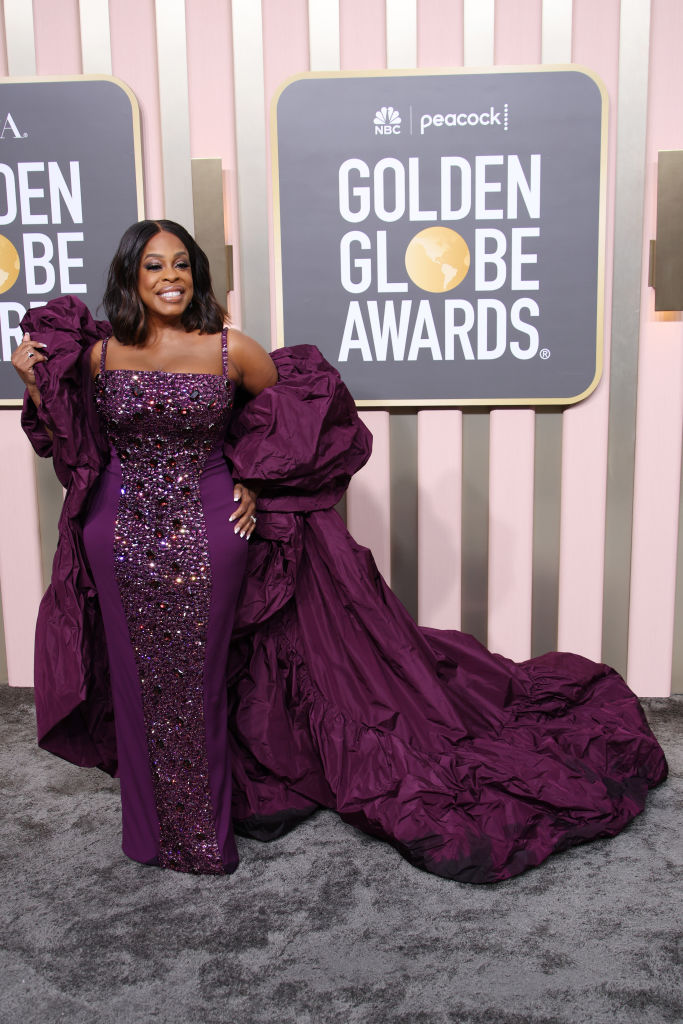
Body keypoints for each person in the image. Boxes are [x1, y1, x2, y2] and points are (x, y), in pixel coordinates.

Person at [14, 219, 667, 883]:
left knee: (198, 681)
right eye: (154, 267)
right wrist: (35, 381)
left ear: (199, 274)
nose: (171, 278)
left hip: (212, 532)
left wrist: (256, 476)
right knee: (133, 679)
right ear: (129, 276)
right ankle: (146, 833)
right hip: (115, 534)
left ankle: (200, 838)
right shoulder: (98, 359)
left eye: (182, 264)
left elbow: (306, 417)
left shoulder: (230, 351)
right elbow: (79, 445)